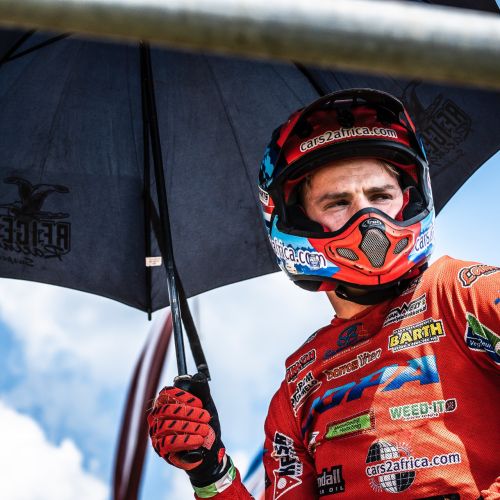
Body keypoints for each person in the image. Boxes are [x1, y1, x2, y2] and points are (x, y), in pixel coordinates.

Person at [148, 89, 500, 499]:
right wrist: (211, 472)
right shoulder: (298, 383)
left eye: (381, 196)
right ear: (298, 222)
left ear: (408, 199)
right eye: (338, 202)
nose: (368, 218)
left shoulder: (465, 294)